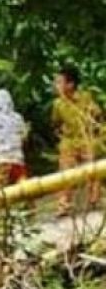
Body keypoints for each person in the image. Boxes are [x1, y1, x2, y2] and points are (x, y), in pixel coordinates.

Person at [52, 65, 102, 214]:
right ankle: (63, 204)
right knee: (65, 172)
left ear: (70, 84)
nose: (56, 86)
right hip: (68, 141)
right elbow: (56, 123)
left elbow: (97, 116)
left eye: (59, 82)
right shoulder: (58, 104)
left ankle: (94, 199)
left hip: (86, 139)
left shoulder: (85, 98)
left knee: (93, 170)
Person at [0, 88, 28, 188]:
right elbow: (23, 136)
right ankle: (30, 203)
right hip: (17, 159)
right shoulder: (17, 118)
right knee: (25, 187)